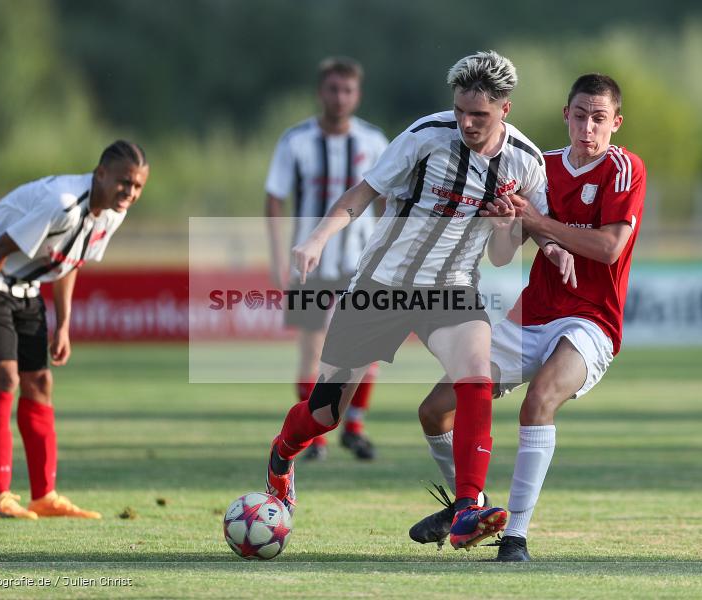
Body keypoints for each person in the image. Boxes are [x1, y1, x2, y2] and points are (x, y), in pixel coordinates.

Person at [264, 50, 575, 551]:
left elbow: (501, 253)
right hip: (380, 286)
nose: (468, 123)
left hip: (451, 288)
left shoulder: (527, 162)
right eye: (460, 111)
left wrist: (546, 245)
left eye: (480, 115)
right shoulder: (425, 136)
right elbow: (361, 195)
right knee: (324, 414)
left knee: (475, 375)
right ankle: (281, 454)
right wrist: (316, 240)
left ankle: (468, 508)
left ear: (505, 110)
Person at [408, 73, 647, 561]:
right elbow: (503, 254)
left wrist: (535, 221)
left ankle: (514, 537)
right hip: (530, 316)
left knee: (537, 402)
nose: (588, 128)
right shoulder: (541, 168)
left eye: (599, 119)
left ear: (616, 123)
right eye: (580, 116)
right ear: (566, 115)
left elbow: (609, 247)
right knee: (434, 411)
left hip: (591, 322)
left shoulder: (624, 169)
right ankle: (468, 508)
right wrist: (504, 224)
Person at [0, 141, 150, 519]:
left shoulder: (111, 213)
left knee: (39, 382)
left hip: (24, 285)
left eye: (138, 186)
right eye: (125, 183)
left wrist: (64, 324)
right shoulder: (62, 203)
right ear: (101, 174)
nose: (131, 193)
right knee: (5, 377)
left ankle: (44, 496)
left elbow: (70, 262)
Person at [265, 56, 388, 461]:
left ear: (358, 94)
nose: (340, 97)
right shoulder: (295, 141)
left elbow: (387, 200)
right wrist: (275, 254)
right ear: (321, 92)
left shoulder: (373, 141)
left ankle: (353, 426)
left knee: (365, 342)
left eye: (347, 90)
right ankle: (313, 435)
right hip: (309, 259)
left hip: (362, 258)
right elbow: (274, 198)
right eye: (333, 89)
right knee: (311, 346)